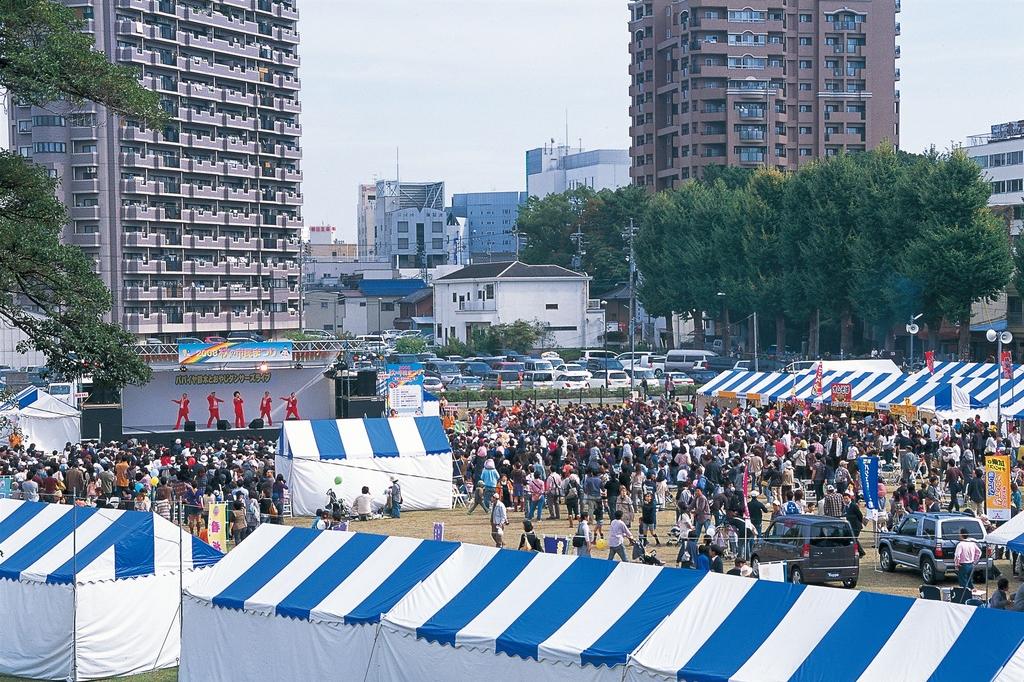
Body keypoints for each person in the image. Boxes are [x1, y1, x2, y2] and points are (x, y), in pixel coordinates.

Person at [844, 492, 866, 558]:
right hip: (851, 526)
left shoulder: (854, 506)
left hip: (856, 526)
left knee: (854, 538)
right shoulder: (845, 507)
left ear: (849, 498)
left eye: (846, 498)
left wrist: (859, 523)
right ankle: (859, 552)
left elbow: (860, 515)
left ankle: (861, 552)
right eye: (844, 499)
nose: (845, 500)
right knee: (853, 539)